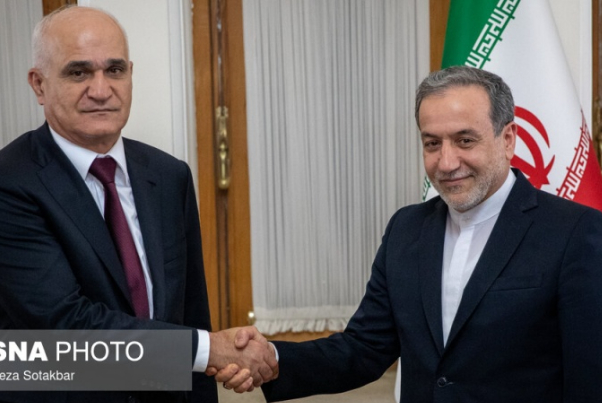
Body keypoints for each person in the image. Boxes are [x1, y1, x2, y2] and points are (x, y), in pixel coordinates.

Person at [217, 66, 602, 402]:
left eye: (465, 140)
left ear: (508, 139)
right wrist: (271, 358)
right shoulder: (407, 228)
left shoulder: (574, 232)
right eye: (432, 143)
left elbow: (589, 378)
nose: (446, 162)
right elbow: (365, 347)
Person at [0, 5, 276, 403]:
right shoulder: (10, 181)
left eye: (114, 70)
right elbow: (65, 326)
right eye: (78, 73)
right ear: (39, 85)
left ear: (130, 74)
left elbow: (190, 312)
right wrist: (209, 349)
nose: (100, 90)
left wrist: (204, 365)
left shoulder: (168, 175)